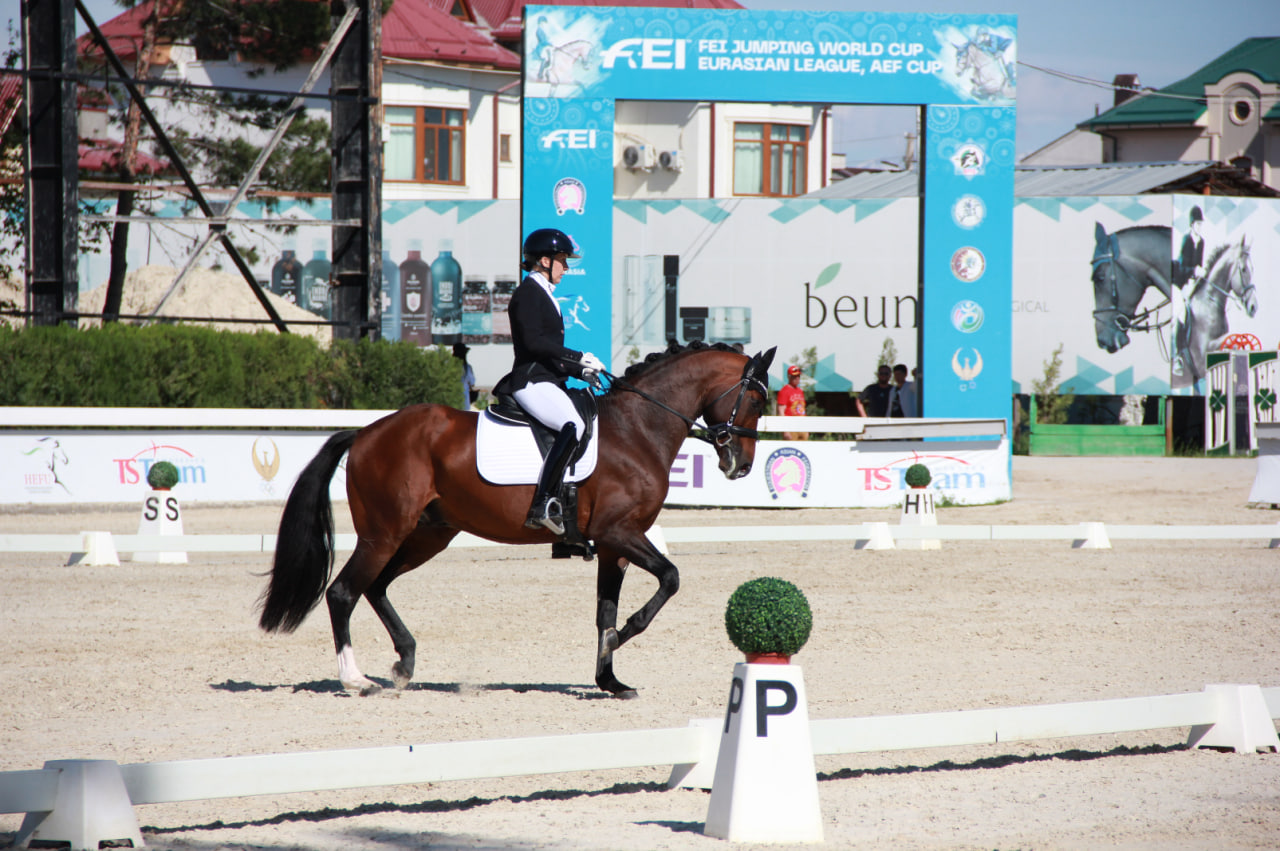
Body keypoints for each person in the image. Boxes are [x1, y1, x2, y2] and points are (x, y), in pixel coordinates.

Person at [494, 227, 604, 536]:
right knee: (573, 424)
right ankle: (543, 502)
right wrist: (578, 356)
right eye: (562, 261)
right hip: (529, 381)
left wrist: (579, 371)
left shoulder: (545, 294)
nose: (566, 268)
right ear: (544, 260)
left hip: (547, 378)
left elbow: (550, 356)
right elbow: (533, 344)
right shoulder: (528, 293)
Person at [1172, 206, 1206, 377]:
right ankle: (1178, 356)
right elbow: (1181, 266)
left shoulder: (1202, 241)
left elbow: (1199, 264)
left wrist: (1201, 274)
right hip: (1180, 282)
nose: (1200, 227)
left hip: (1193, 282)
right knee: (1183, 314)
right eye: (1198, 224)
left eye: (1201, 223)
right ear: (1192, 224)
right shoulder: (1186, 240)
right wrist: (1193, 271)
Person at [777, 364, 807, 441]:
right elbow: (781, 411)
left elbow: (802, 409)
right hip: (791, 426)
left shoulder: (800, 391)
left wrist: (807, 428)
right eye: (795, 376)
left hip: (802, 426)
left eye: (798, 376)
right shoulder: (784, 391)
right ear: (789, 377)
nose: (797, 378)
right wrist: (785, 431)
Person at [452, 342, 476, 409]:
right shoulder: (467, 368)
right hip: (463, 403)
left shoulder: (448, 366)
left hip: (450, 401)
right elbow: (472, 383)